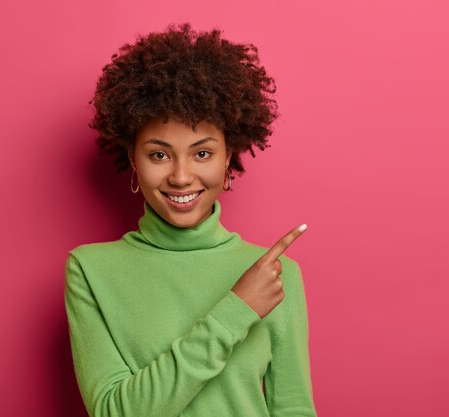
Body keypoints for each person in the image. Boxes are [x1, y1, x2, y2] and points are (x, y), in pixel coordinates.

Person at [63, 22, 318, 417]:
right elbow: (114, 411)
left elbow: (294, 408)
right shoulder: (90, 270)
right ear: (133, 159)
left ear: (229, 157)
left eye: (202, 154)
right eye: (159, 155)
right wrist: (234, 311)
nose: (181, 177)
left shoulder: (274, 274)